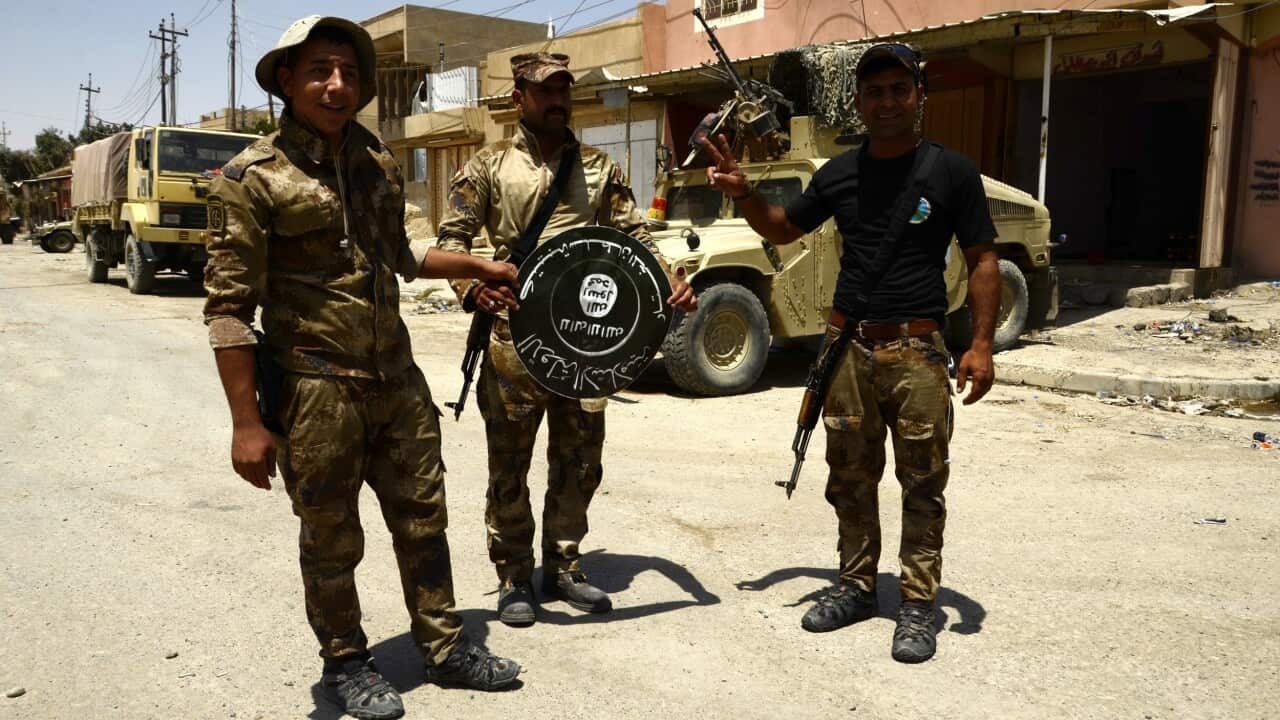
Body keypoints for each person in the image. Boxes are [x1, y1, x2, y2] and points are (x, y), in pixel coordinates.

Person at [203, 16, 523, 718]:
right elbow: (228, 310)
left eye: (349, 72)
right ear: (287, 79)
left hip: (396, 379)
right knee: (331, 535)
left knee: (423, 517)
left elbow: (403, 255)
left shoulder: (374, 160)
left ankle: (444, 646)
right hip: (316, 387)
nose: (337, 84)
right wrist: (247, 423)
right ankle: (345, 661)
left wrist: (475, 264)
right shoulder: (248, 179)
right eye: (320, 70)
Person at [702, 43, 999, 663]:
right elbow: (783, 227)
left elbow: (982, 258)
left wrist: (980, 344)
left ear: (918, 96)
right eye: (875, 92)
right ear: (859, 103)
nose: (887, 101)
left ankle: (918, 606)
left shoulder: (951, 172)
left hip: (918, 350)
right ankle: (858, 586)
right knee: (850, 480)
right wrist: (743, 194)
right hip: (848, 351)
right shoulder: (837, 174)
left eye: (898, 89)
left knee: (922, 483)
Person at [435, 51, 697, 628]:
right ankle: (512, 576)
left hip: (586, 343)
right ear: (519, 98)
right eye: (544, 90)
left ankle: (564, 565)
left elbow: (634, 238)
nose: (557, 100)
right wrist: (470, 286)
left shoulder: (601, 168)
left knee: (579, 461)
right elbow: (452, 238)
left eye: (563, 90)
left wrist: (669, 281)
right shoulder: (487, 166)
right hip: (514, 341)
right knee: (509, 462)